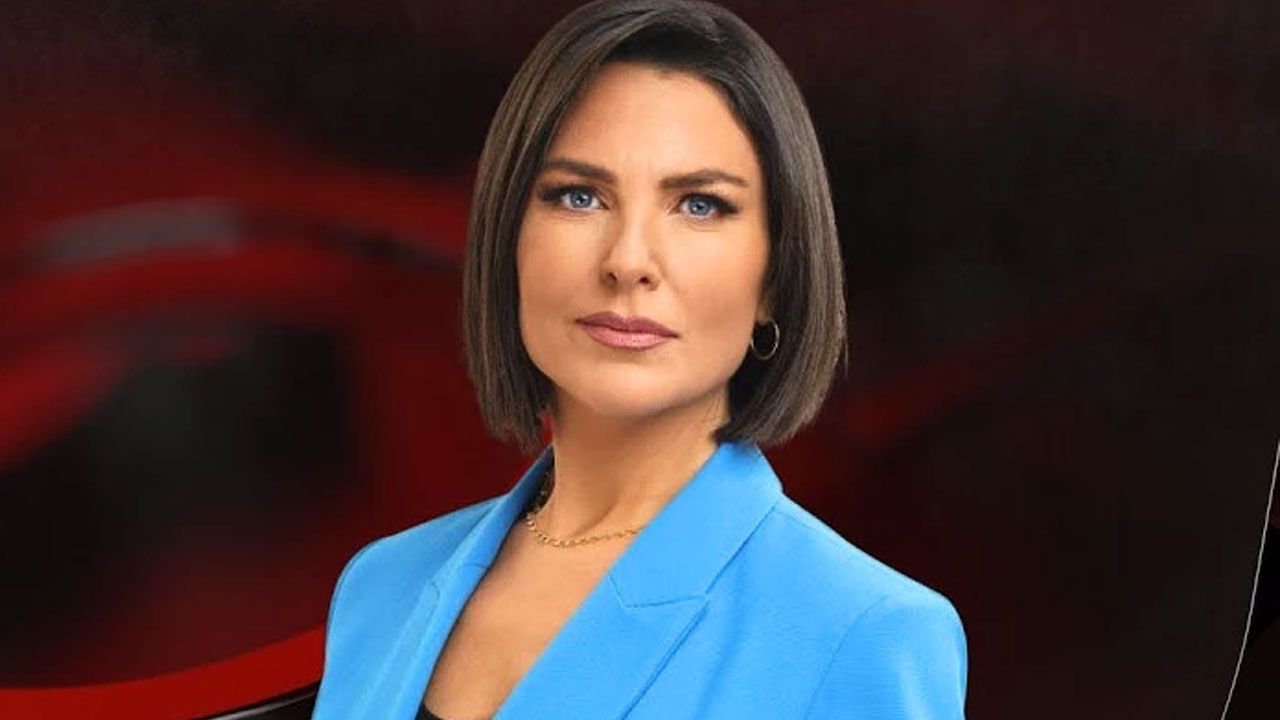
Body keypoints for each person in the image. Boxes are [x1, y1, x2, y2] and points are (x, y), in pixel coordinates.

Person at [311, 1, 968, 718]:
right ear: (509, 241)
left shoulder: (863, 632)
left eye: (699, 205)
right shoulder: (382, 588)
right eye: (579, 196)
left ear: (775, 279)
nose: (628, 260)